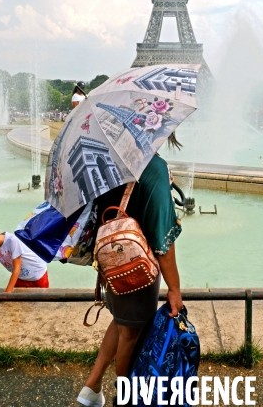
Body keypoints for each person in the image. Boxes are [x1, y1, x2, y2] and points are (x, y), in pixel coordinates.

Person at [77, 144, 183, 407]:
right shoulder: (153, 166)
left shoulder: (111, 157)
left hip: (111, 262)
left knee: (121, 323)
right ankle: (125, 399)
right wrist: (174, 288)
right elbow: (162, 238)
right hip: (136, 268)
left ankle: (92, 387)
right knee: (131, 334)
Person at [0, 223, 49, 292]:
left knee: (39, 302)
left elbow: (16, 269)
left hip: (37, 277)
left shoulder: (12, 240)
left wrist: (7, 294)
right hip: (20, 277)